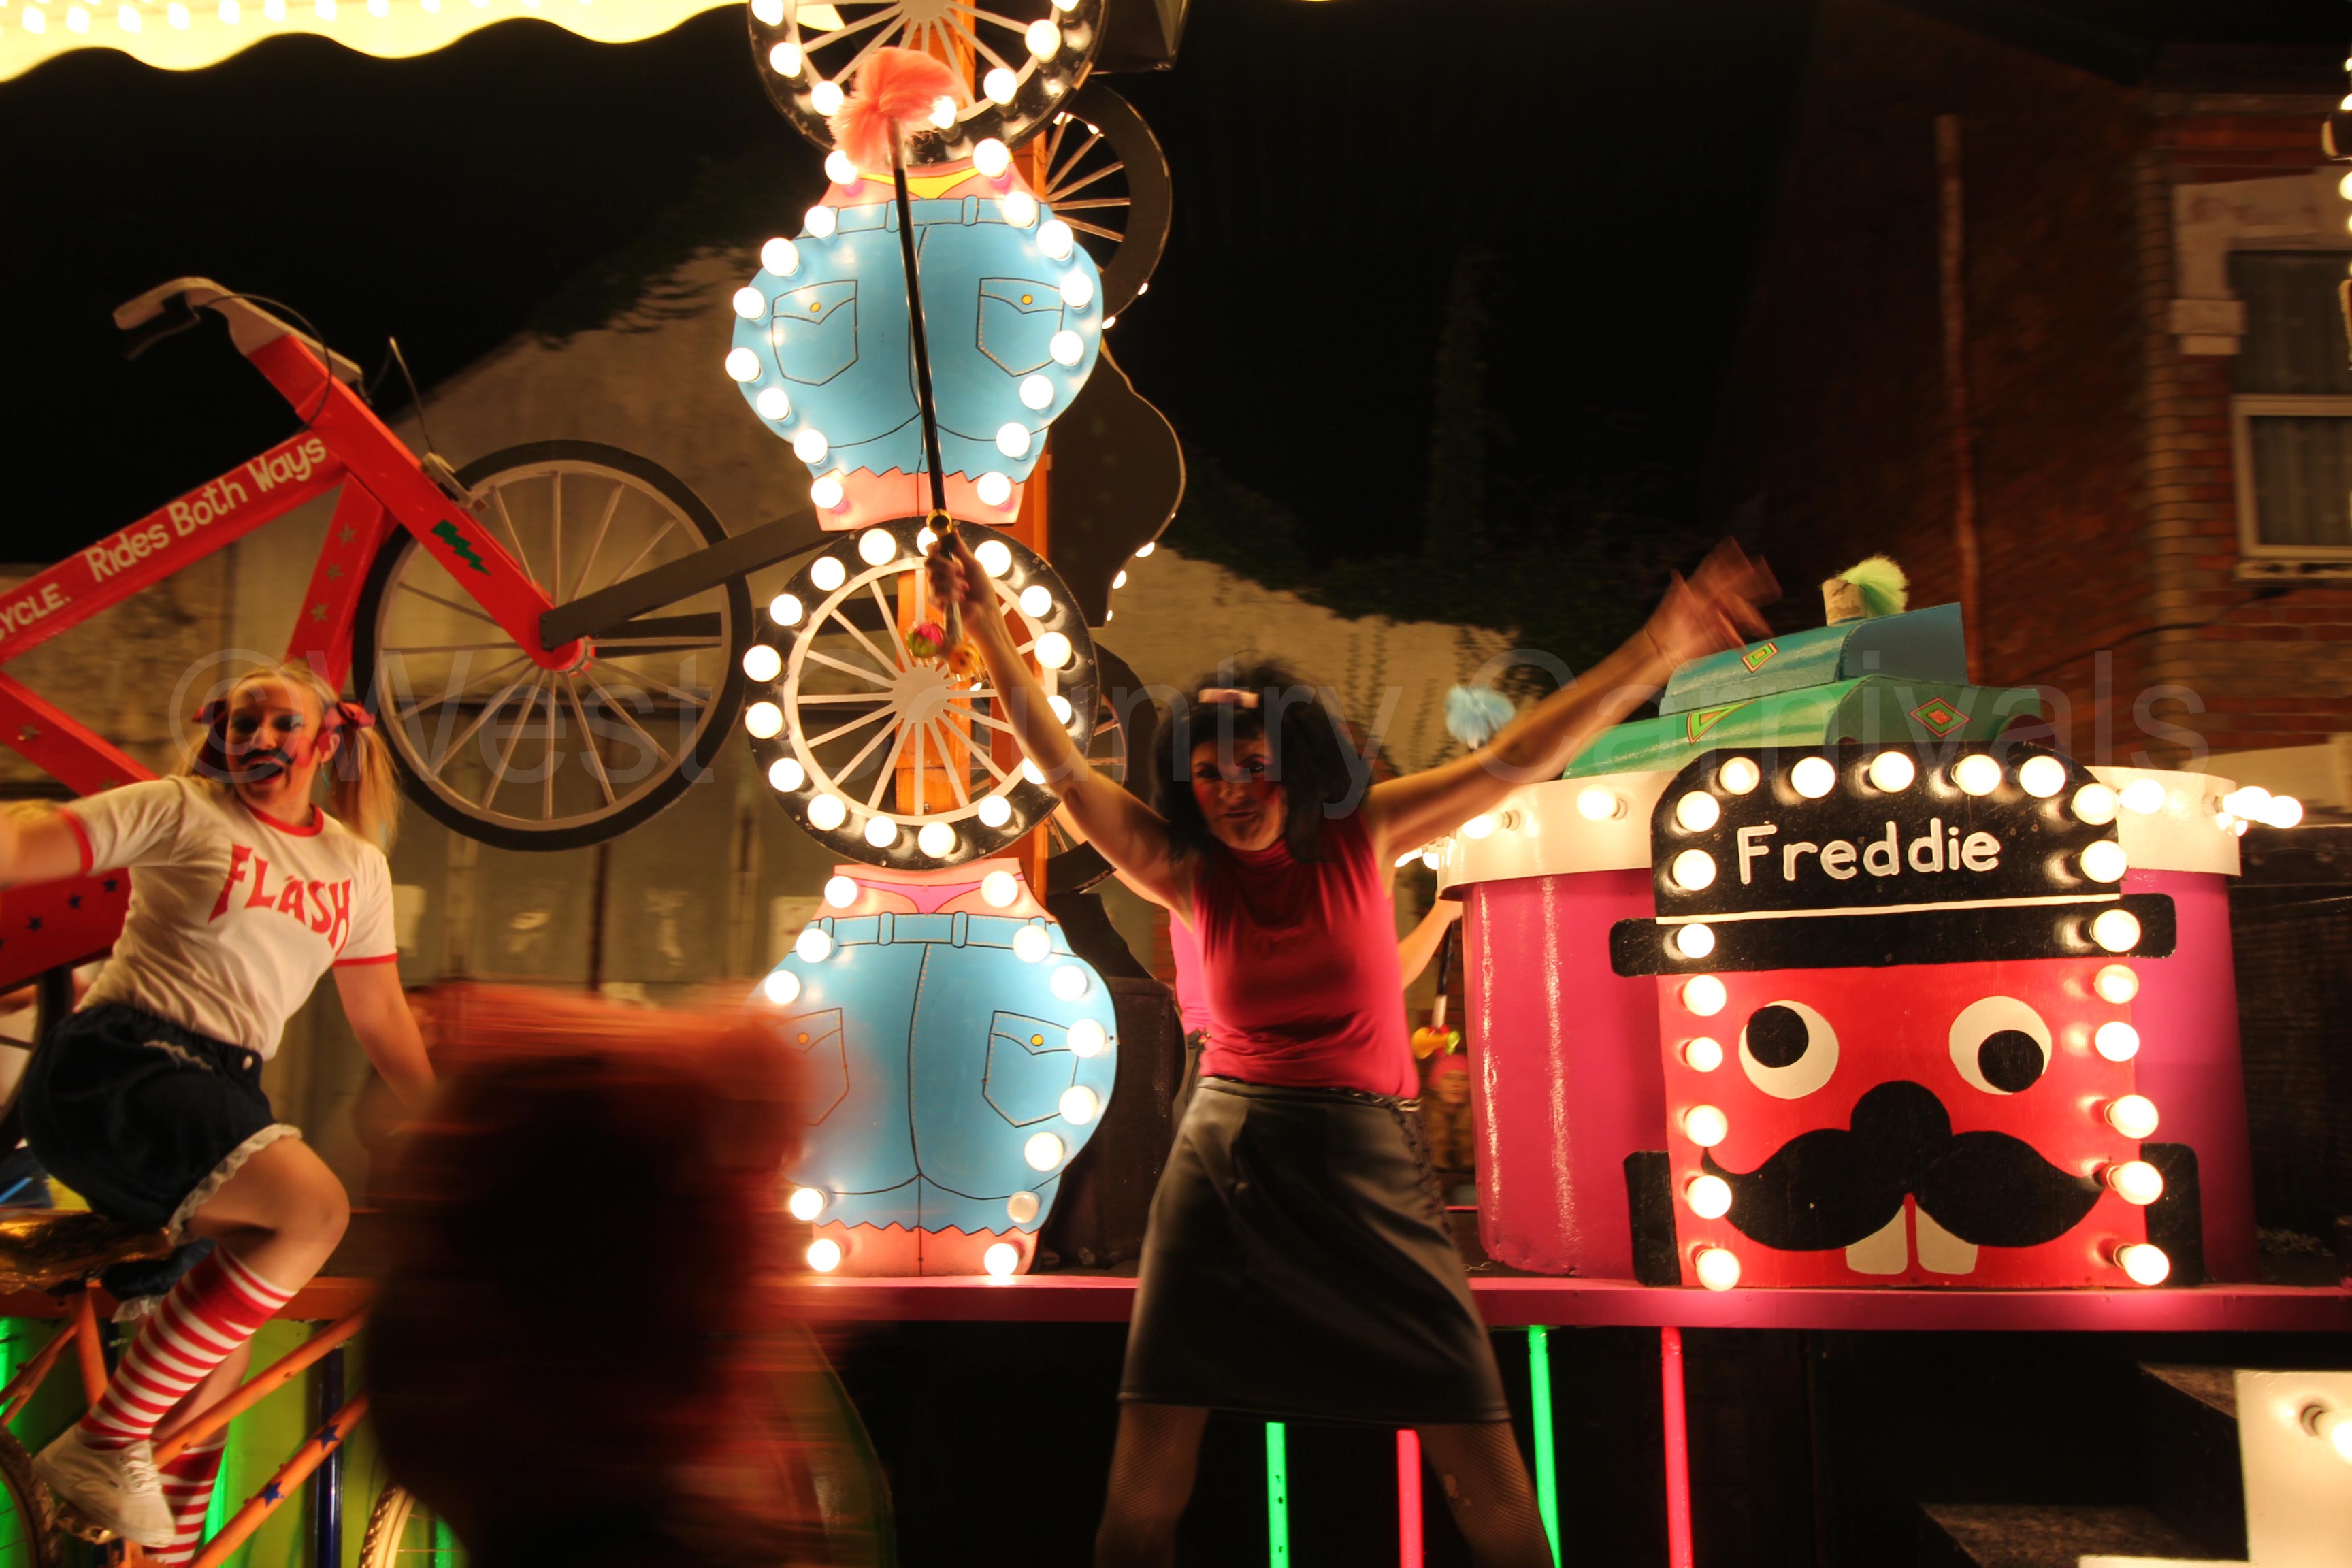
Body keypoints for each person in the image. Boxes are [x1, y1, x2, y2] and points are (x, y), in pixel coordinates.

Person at [929, 534, 1774, 1568]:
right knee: (1149, 1472)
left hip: (1368, 1162)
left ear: (1292, 771)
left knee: (1481, 1464)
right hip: (1227, 1164)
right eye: (1209, 774)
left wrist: (1659, 647)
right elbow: (1062, 768)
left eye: (1253, 766)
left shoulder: (1361, 838)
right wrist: (987, 629)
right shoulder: (1185, 873)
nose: (1233, 789)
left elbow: (1517, 756)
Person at [0, 658, 434, 1555]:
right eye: (243, 722)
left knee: (215, 1369)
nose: (260, 738)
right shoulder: (180, 809)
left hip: (220, 1094)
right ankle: (106, 1440)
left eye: (282, 723)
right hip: (121, 1067)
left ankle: (164, 1550)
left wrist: (445, 1125)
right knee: (311, 1209)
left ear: (328, 742)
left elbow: (382, 1016)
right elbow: (24, 854)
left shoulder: (356, 869)